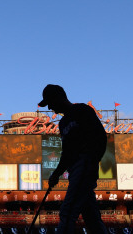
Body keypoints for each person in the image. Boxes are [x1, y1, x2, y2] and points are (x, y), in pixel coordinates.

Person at [38, 84, 108, 234]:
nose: (50, 107)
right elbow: (67, 153)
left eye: (50, 102)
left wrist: (91, 160)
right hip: (74, 170)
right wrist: (56, 173)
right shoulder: (63, 124)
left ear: (59, 97)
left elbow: (101, 138)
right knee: (91, 217)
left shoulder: (82, 110)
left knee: (67, 211)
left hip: (84, 165)